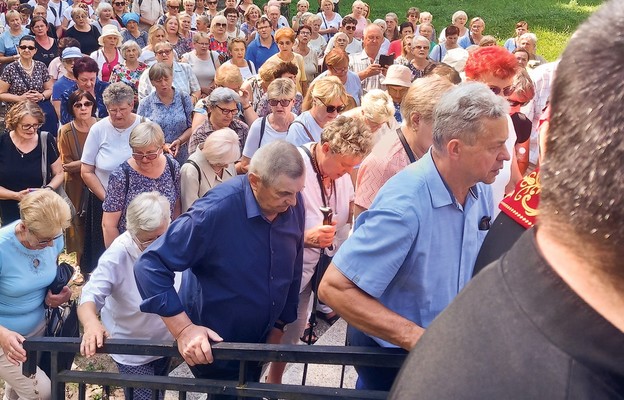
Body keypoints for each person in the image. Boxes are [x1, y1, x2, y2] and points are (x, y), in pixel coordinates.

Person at [389, 2, 624, 397]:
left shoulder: (494, 172)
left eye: (505, 92)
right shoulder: (418, 186)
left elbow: (512, 182)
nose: (502, 102)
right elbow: (341, 285)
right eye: (491, 90)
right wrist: (417, 335)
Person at [319, 82, 510, 391]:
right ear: (456, 148)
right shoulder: (405, 205)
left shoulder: (479, 186)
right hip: (396, 364)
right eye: (495, 146)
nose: (506, 156)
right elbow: (334, 288)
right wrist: (419, 339)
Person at [134, 140, 305, 397]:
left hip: (262, 339)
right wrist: (183, 329)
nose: (293, 202)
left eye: (297, 192)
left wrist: (280, 324)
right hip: (218, 345)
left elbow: (294, 262)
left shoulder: (292, 201)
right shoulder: (215, 210)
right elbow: (150, 265)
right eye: (284, 194)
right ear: (255, 181)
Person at [267, 115, 373, 383]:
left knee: (293, 330)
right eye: (344, 165)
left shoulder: (340, 174)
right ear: (326, 148)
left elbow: (347, 207)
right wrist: (305, 237)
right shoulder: (293, 165)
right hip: (278, 271)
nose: (346, 173)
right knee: (268, 331)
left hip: (312, 271)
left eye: (352, 166)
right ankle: (250, 381)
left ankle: (274, 381)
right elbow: (265, 223)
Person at [79, 192, 175, 400]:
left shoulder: (175, 238)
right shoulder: (118, 254)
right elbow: (90, 294)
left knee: (158, 394)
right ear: (133, 233)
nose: (158, 244)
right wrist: (91, 324)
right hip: (133, 347)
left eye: (162, 236)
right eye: (149, 240)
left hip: (166, 341)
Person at [0, 190, 71, 400]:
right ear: (23, 227)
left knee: (19, 387)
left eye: (55, 238)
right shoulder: (3, 249)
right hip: (6, 338)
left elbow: (45, 275)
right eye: (43, 241)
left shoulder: (52, 236)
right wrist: (2, 334)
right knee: (43, 392)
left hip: (38, 330)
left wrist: (57, 294)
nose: (50, 245)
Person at [355, 75, 453, 218]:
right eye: (443, 125)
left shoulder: (433, 151)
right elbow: (364, 229)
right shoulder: (383, 163)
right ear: (416, 120)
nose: (451, 133)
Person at [80, 82, 145, 275]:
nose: (117, 115)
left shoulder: (144, 125)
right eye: (112, 110)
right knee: (103, 256)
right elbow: (87, 170)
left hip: (139, 204)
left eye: (122, 110)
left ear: (132, 105)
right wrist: (110, 199)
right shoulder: (99, 129)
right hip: (103, 201)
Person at [102, 121, 180, 248]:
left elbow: (176, 207)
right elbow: (109, 225)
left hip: (165, 247)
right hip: (133, 249)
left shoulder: (172, 167)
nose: (144, 159)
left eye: (150, 154)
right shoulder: (121, 176)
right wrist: (119, 260)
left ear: (161, 148)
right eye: (138, 153)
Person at [464, 46, 522, 210]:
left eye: (508, 90)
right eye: (493, 90)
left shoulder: (506, 122)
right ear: (469, 84)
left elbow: (514, 180)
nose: (502, 98)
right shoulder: (453, 126)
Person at [0, 101, 64, 225]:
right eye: (26, 125)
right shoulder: (2, 143)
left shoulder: (46, 139)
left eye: (36, 125)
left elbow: (59, 173)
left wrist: (48, 189)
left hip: (41, 209)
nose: (32, 130)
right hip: (10, 211)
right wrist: (16, 196)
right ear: (14, 123)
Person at [57, 90, 97, 267]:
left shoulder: (102, 126)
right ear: (72, 108)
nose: (83, 108)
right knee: (78, 226)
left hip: (99, 183)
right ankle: (81, 267)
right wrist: (92, 160)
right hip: (76, 185)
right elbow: (66, 165)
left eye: (87, 104)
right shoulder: (65, 131)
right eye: (78, 105)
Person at [0, 35, 58, 135]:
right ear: (18, 49)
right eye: (23, 47)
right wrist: (20, 98)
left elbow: (50, 88)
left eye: (30, 48)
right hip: (18, 113)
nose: (27, 50)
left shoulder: (41, 66)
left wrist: (42, 96)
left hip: (38, 112)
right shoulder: (10, 68)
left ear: (35, 50)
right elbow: (1, 93)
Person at [137, 63, 193, 163]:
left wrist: (179, 141)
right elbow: (143, 133)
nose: (163, 84)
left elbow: (192, 126)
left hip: (182, 153)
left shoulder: (183, 97)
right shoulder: (145, 103)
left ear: (172, 77)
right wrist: (163, 146)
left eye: (166, 79)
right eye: (158, 81)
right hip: (156, 156)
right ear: (152, 82)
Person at [239, 78, 295, 172]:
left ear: (293, 102)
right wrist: (269, 175)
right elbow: (245, 164)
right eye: (274, 101)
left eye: (284, 102)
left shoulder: (301, 125)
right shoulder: (259, 126)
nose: (279, 106)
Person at [180, 127, 240, 211]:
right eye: (221, 164)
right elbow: (190, 214)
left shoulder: (227, 158)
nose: (227, 166)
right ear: (213, 157)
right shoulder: (191, 170)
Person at [285, 75, 347, 146]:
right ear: (315, 101)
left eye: (339, 108)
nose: (335, 114)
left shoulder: (341, 123)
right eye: (330, 108)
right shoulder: (299, 129)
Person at [188, 87, 249, 154]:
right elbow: (198, 163)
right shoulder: (199, 135)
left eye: (233, 111)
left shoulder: (242, 128)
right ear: (211, 107)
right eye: (225, 111)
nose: (230, 116)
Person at [60, 56, 110, 124]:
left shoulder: (107, 89)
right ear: (75, 78)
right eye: (84, 80)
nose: (89, 84)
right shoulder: (68, 95)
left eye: (92, 79)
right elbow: (66, 122)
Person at [266, 27, 308, 96]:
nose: (284, 46)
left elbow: (303, 82)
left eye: (288, 43)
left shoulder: (299, 58)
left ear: (293, 43)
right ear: (277, 44)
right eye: (281, 43)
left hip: (298, 99)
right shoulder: (271, 62)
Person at [109, 40, 148, 110]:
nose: (131, 53)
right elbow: (111, 89)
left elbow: (150, 88)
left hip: (142, 105)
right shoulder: (117, 69)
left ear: (138, 52)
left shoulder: (146, 68)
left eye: (134, 50)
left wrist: (140, 98)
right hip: (122, 106)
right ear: (124, 53)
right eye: (128, 51)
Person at [349, 23, 385, 94]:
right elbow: (344, 82)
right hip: (359, 103)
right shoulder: (351, 60)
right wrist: (365, 73)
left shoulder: (390, 63)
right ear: (363, 39)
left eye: (377, 38)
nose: (374, 41)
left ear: (382, 40)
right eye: (371, 37)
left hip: (381, 103)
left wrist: (389, 75)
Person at [180, 31, 221, 96]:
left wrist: (210, 88)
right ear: (194, 44)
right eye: (201, 44)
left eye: (206, 44)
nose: (204, 46)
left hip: (212, 94)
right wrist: (201, 90)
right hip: (193, 95)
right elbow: (184, 80)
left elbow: (219, 76)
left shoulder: (214, 55)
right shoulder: (187, 58)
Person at [50, 45, 81, 118]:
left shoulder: (88, 79)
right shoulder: (58, 85)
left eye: (76, 60)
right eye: (68, 61)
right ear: (63, 63)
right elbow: (60, 113)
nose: (73, 63)